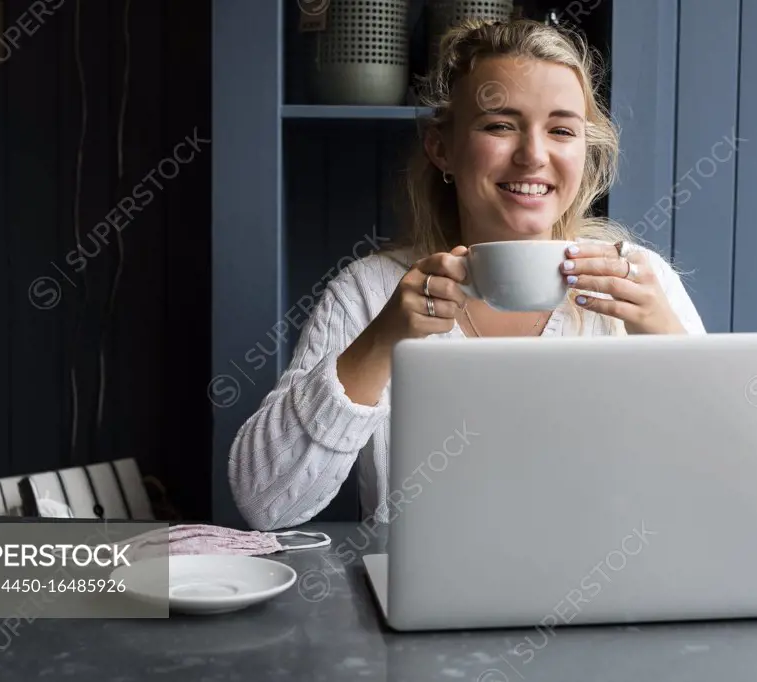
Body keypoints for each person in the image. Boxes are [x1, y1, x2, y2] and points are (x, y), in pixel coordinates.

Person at [228, 18, 706, 531]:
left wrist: (669, 343)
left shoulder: (640, 282)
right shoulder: (370, 293)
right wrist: (382, 341)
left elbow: (720, 485)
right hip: (423, 608)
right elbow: (265, 502)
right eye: (500, 125)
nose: (533, 156)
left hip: (608, 600)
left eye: (562, 130)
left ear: (584, 153)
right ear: (442, 148)